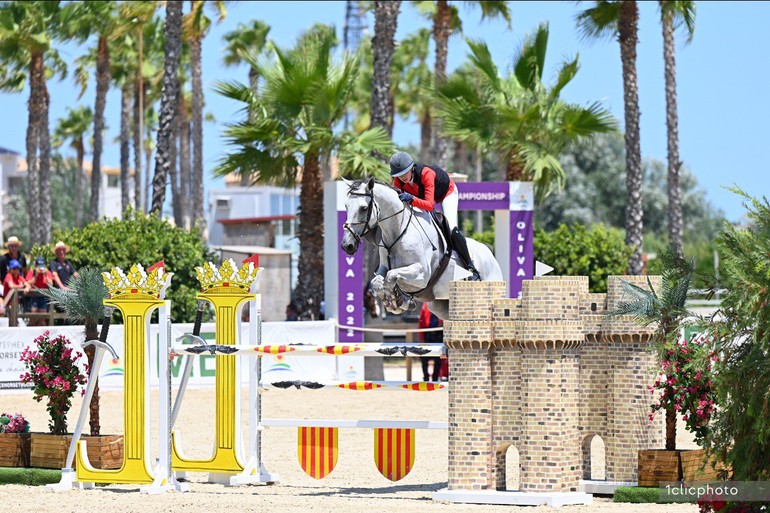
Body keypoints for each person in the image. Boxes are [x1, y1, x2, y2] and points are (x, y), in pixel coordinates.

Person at [389, 151, 481, 280]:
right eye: (399, 175)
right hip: (421, 199)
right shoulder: (398, 182)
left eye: (405, 173)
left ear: (411, 168)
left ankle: (471, 268)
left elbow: (429, 205)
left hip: (446, 193)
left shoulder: (426, 174)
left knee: (451, 228)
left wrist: (411, 199)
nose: (402, 177)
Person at [25, 256, 54, 326]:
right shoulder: (31, 272)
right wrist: (36, 275)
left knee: (42, 320)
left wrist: (46, 275)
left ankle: (42, 336)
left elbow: (51, 284)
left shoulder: (48, 273)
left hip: (44, 297)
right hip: (33, 297)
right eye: (39, 266)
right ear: (35, 266)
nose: (41, 268)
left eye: (42, 266)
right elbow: (28, 283)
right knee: (32, 317)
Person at [418, 302, 443, 382]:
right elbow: (421, 321)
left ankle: (435, 377)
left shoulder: (441, 304)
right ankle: (426, 377)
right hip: (428, 333)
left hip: (439, 333)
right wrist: (421, 337)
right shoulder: (426, 305)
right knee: (424, 356)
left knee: (439, 357)